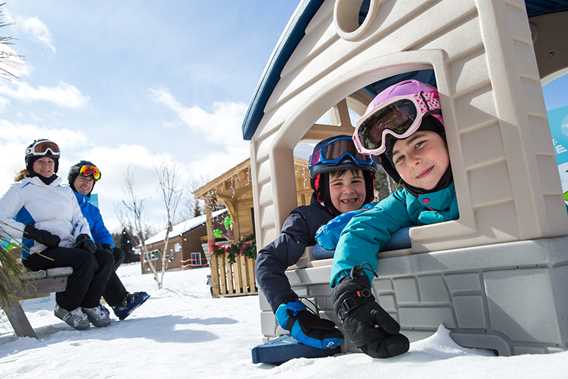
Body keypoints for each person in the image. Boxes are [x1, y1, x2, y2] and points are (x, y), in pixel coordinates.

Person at [329, 80, 458, 359]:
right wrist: (350, 293)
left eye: (420, 143)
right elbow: (361, 229)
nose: (412, 161)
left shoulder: (483, 177)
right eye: (398, 158)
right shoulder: (406, 199)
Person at [255, 135, 377, 350]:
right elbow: (267, 260)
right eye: (338, 183)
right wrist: (292, 312)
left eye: (356, 181)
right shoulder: (306, 220)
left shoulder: (380, 213)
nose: (348, 191)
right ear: (322, 189)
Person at [0, 139, 113, 330]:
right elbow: (1, 219)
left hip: (66, 248)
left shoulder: (64, 191)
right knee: (84, 260)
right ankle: (66, 306)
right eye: (41, 162)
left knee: (104, 257)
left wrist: (83, 236)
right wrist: (32, 233)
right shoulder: (20, 189)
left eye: (50, 162)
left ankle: (90, 304)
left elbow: (79, 219)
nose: (46, 166)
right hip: (38, 252)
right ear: (31, 164)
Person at [68, 160, 150, 320]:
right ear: (72, 180)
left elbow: (101, 232)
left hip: (89, 248)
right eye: (82, 179)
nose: (87, 183)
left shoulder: (91, 209)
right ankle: (119, 301)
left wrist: (107, 246)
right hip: (72, 249)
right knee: (102, 258)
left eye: (90, 181)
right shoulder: (65, 201)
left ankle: (119, 303)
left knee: (116, 254)